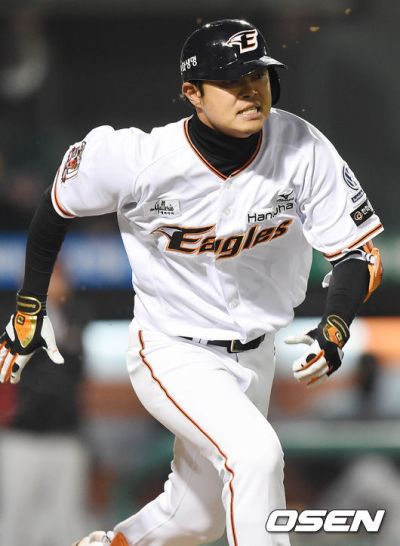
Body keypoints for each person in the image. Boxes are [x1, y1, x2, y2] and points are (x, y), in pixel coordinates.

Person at [0, 18, 383, 546]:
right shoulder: (139, 160)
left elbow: (357, 252)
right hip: (173, 347)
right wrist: (30, 305)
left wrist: (336, 321)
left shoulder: (302, 148)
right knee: (255, 457)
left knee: (197, 516)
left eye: (258, 75)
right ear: (192, 93)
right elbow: (55, 208)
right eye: (231, 80)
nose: (250, 90)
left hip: (257, 353)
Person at [0, 263, 90, 546]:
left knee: (65, 520)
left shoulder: (75, 317)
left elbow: (76, 374)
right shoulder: (11, 319)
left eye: (58, 276)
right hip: (21, 434)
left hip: (65, 433)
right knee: (17, 518)